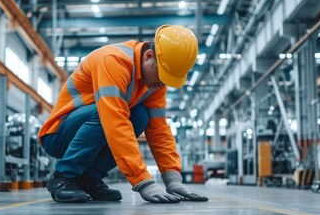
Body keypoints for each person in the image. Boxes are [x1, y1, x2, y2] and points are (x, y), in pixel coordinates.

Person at [39, 25, 208, 204]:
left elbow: (159, 130)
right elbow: (115, 123)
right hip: (59, 135)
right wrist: (143, 181)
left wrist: (173, 179)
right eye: (162, 74)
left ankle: (87, 179)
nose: (162, 83)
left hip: (92, 129)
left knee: (141, 115)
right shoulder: (113, 61)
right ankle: (62, 176)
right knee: (106, 114)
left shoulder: (155, 83)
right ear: (148, 56)